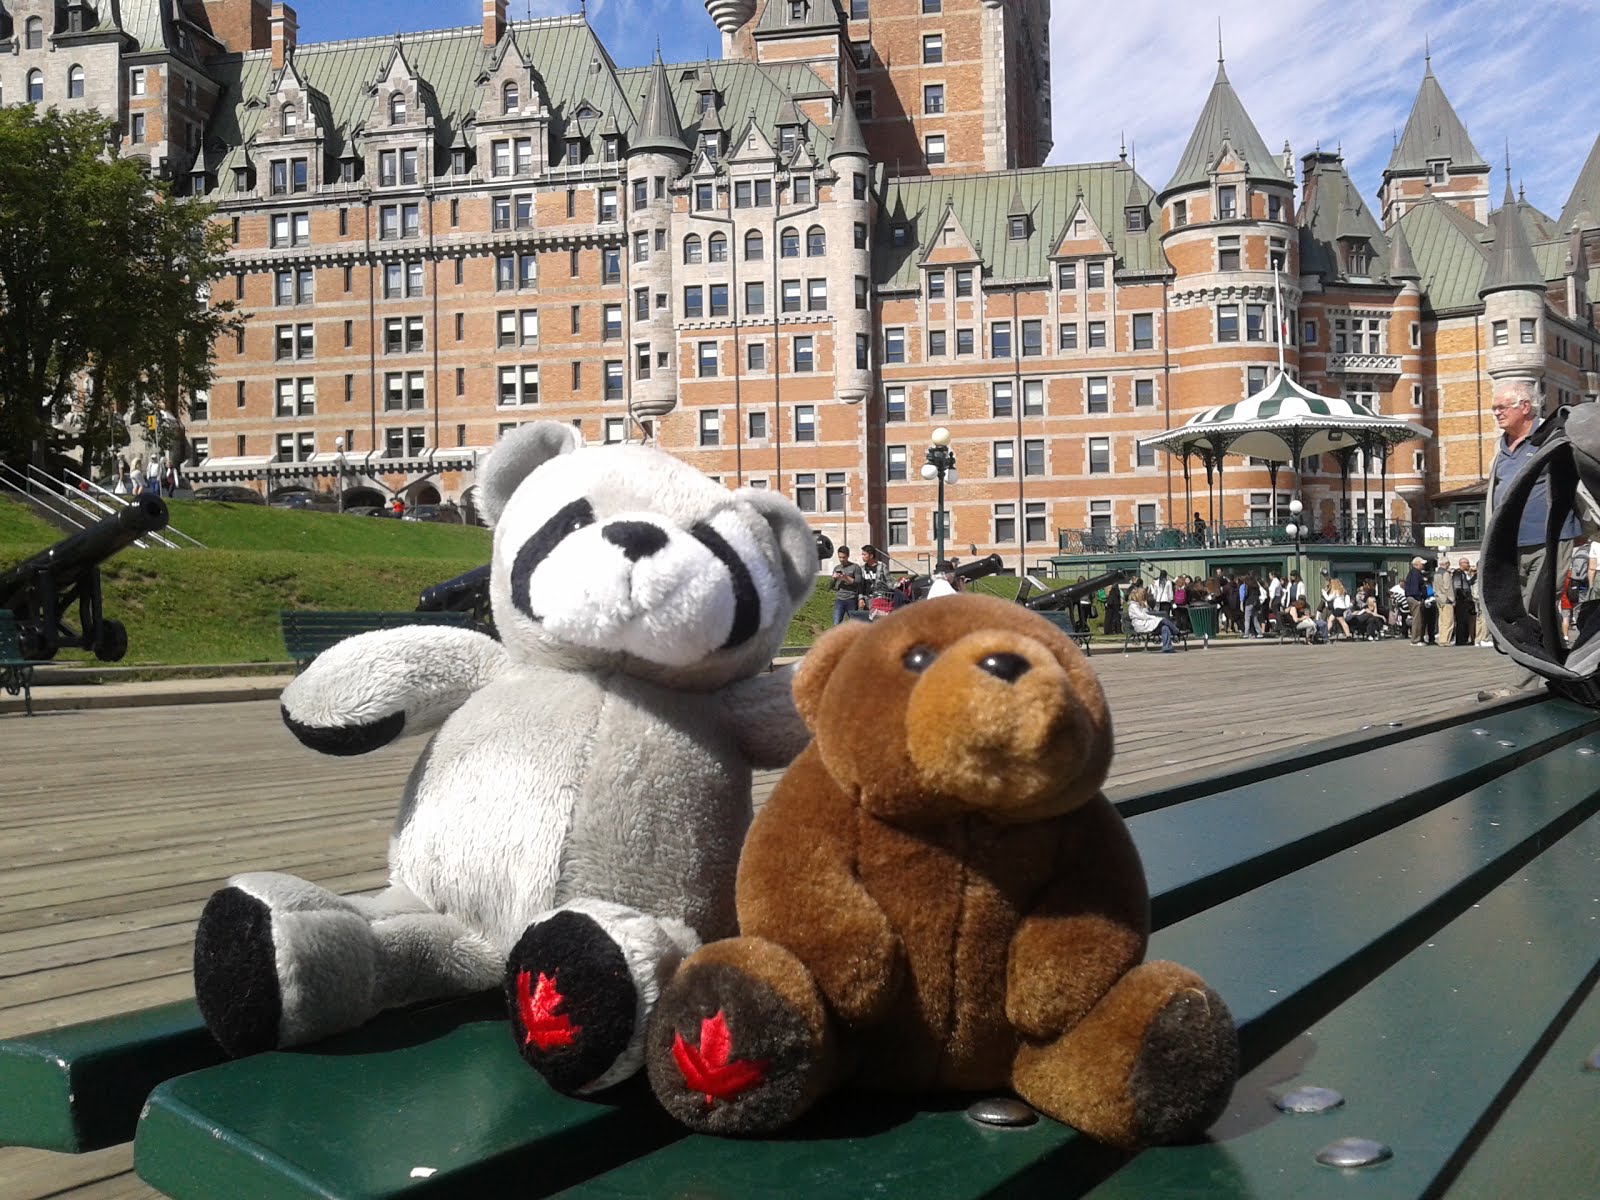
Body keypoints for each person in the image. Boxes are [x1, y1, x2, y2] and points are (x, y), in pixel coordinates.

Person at [1480, 380, 1582, 694]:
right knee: (1515, 613)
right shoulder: (1500, 449)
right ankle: (1555, 671)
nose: (1495, 412)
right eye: (1494, 407)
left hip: (1551, 538)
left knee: (1537, 609)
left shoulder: (1551, 437)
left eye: (1501, 407)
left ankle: (1526, 685)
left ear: (1525, 407)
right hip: (1509, 544)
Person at [1127, 585, 1182, 653]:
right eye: (1141, 596)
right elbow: (1142, 616)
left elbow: (1146, 612)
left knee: (1165, 627)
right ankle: (1177, 631)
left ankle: (1167, 647)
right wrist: (1153, 617)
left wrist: (1145, 606)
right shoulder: (1133, 606)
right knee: (1163, 620)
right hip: (1141, 624)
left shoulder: (1139, 604)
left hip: (1146, 623)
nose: (1142, 597)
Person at [829, 546, 866, 624]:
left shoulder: (855, 567)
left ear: (848, 556)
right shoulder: (837, 568)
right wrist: (833, 578)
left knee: (853, 623)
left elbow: (858, 583)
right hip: (839, 599)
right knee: (836, 623)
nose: (841, 559)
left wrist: (845, 577)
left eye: (844, 557)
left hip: (851, 599)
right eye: (840, 557)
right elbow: (830, 586)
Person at [859, 545, 894, 618]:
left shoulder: (882, 566)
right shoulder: (862, 569)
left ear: (871, 555)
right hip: (867, 600)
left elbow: (889, 582)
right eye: (862, 554)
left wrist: (889, 596)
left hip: (880, 600)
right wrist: (861, 598)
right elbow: (861, 586)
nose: (862, 556)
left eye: (864, 554)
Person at [1451, 558, 1477, 646]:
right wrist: (1463, 597)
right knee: (1461, 621)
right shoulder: (1458, 573)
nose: (1468, 565)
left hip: (1465, 601)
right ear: (1462, 564)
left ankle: (1464, 638)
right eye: (1467, 563)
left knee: (1465, 621)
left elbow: (1467, 584)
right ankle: (1460, 639)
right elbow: (1457, 586)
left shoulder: (1463, 574)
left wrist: (1474, 578)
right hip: (1461, 601)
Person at [1404, 556, 1429, 645]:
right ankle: (1415, 639)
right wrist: (1418, 599)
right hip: (1414, 598)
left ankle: (1419, 638)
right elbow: (1415, 587)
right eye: (1422, 564)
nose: (1423, 565)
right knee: (1417, 619)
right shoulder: (1415, 573)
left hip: (1413, 597)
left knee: (1419, 619)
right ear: (1417, 564)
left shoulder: (1415, 573)